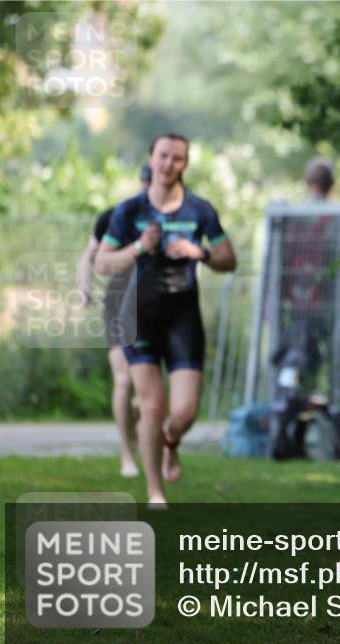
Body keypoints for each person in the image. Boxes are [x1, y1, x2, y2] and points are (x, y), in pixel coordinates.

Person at [95, 133, 237, 507]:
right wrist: (139, 247)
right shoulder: (130, 211)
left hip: (183, 316)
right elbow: (102, 262)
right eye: (163, 156)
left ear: (184, 164)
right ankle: (155, 492)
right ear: (152, 158)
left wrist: (200, 253)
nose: (168, 164)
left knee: (185, 412)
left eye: (177, 158)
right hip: (138, 315)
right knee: (153, 406)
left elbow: (229, 259)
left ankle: (171, 441)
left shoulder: (200, 211)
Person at [78, 163, 152, 478]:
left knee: (145, 391)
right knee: (124, 381)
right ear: (142, 182)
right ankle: (127, 454)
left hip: (153, 306)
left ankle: (139, 430)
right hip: (119, 302)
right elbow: (89, 255)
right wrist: (84, 286)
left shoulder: (171, 220)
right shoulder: (117, 216)